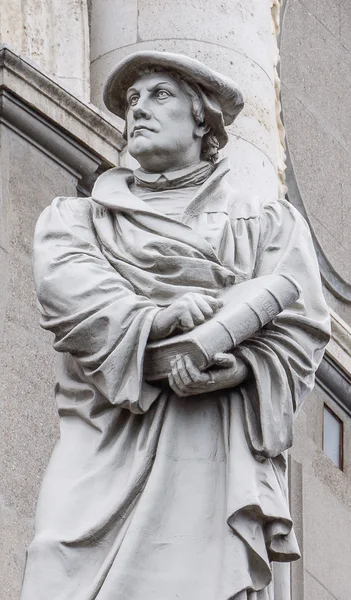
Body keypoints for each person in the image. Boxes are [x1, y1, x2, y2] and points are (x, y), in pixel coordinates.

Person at [21, 51, 330, 600]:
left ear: (202, 119)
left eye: (159, 95)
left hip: (207, 438)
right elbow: (69, 291)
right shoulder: (80, 218)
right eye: (132, 101)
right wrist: (154, 318)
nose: (138, 110)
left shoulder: (263, 221)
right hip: (107, 436)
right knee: (53, 558)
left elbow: (300, 323)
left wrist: (240, 366)